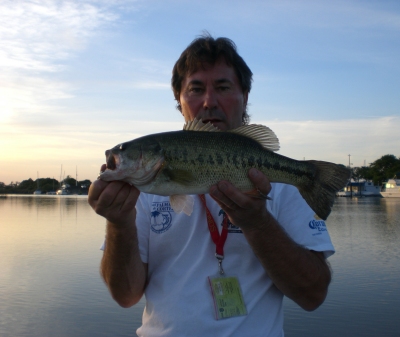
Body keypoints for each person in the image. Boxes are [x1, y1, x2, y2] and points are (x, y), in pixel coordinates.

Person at [88, 35, 334, 337]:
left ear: (244, 96)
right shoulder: (142, 189)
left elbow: (314, 295)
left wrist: (258, 224)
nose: (208, 101)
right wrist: (119, 222)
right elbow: (125, 296)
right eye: (195, 89)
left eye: (222, 87)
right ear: (179, 101)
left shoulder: (281, 185)